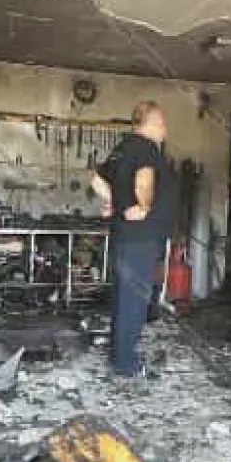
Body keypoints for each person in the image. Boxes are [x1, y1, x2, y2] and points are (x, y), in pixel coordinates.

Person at [89, 101, 175, 379]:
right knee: (135, 301)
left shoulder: (122, 148)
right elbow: (144, 178)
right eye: (163, 124)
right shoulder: (148, 148)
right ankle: (126, 363)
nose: (165, 130)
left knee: (123, 299)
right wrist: (143, 206)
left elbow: (96, 181)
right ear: (153, 123)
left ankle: (119, 355)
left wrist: (114, 202)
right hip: (140, 239)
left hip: (124, 237)